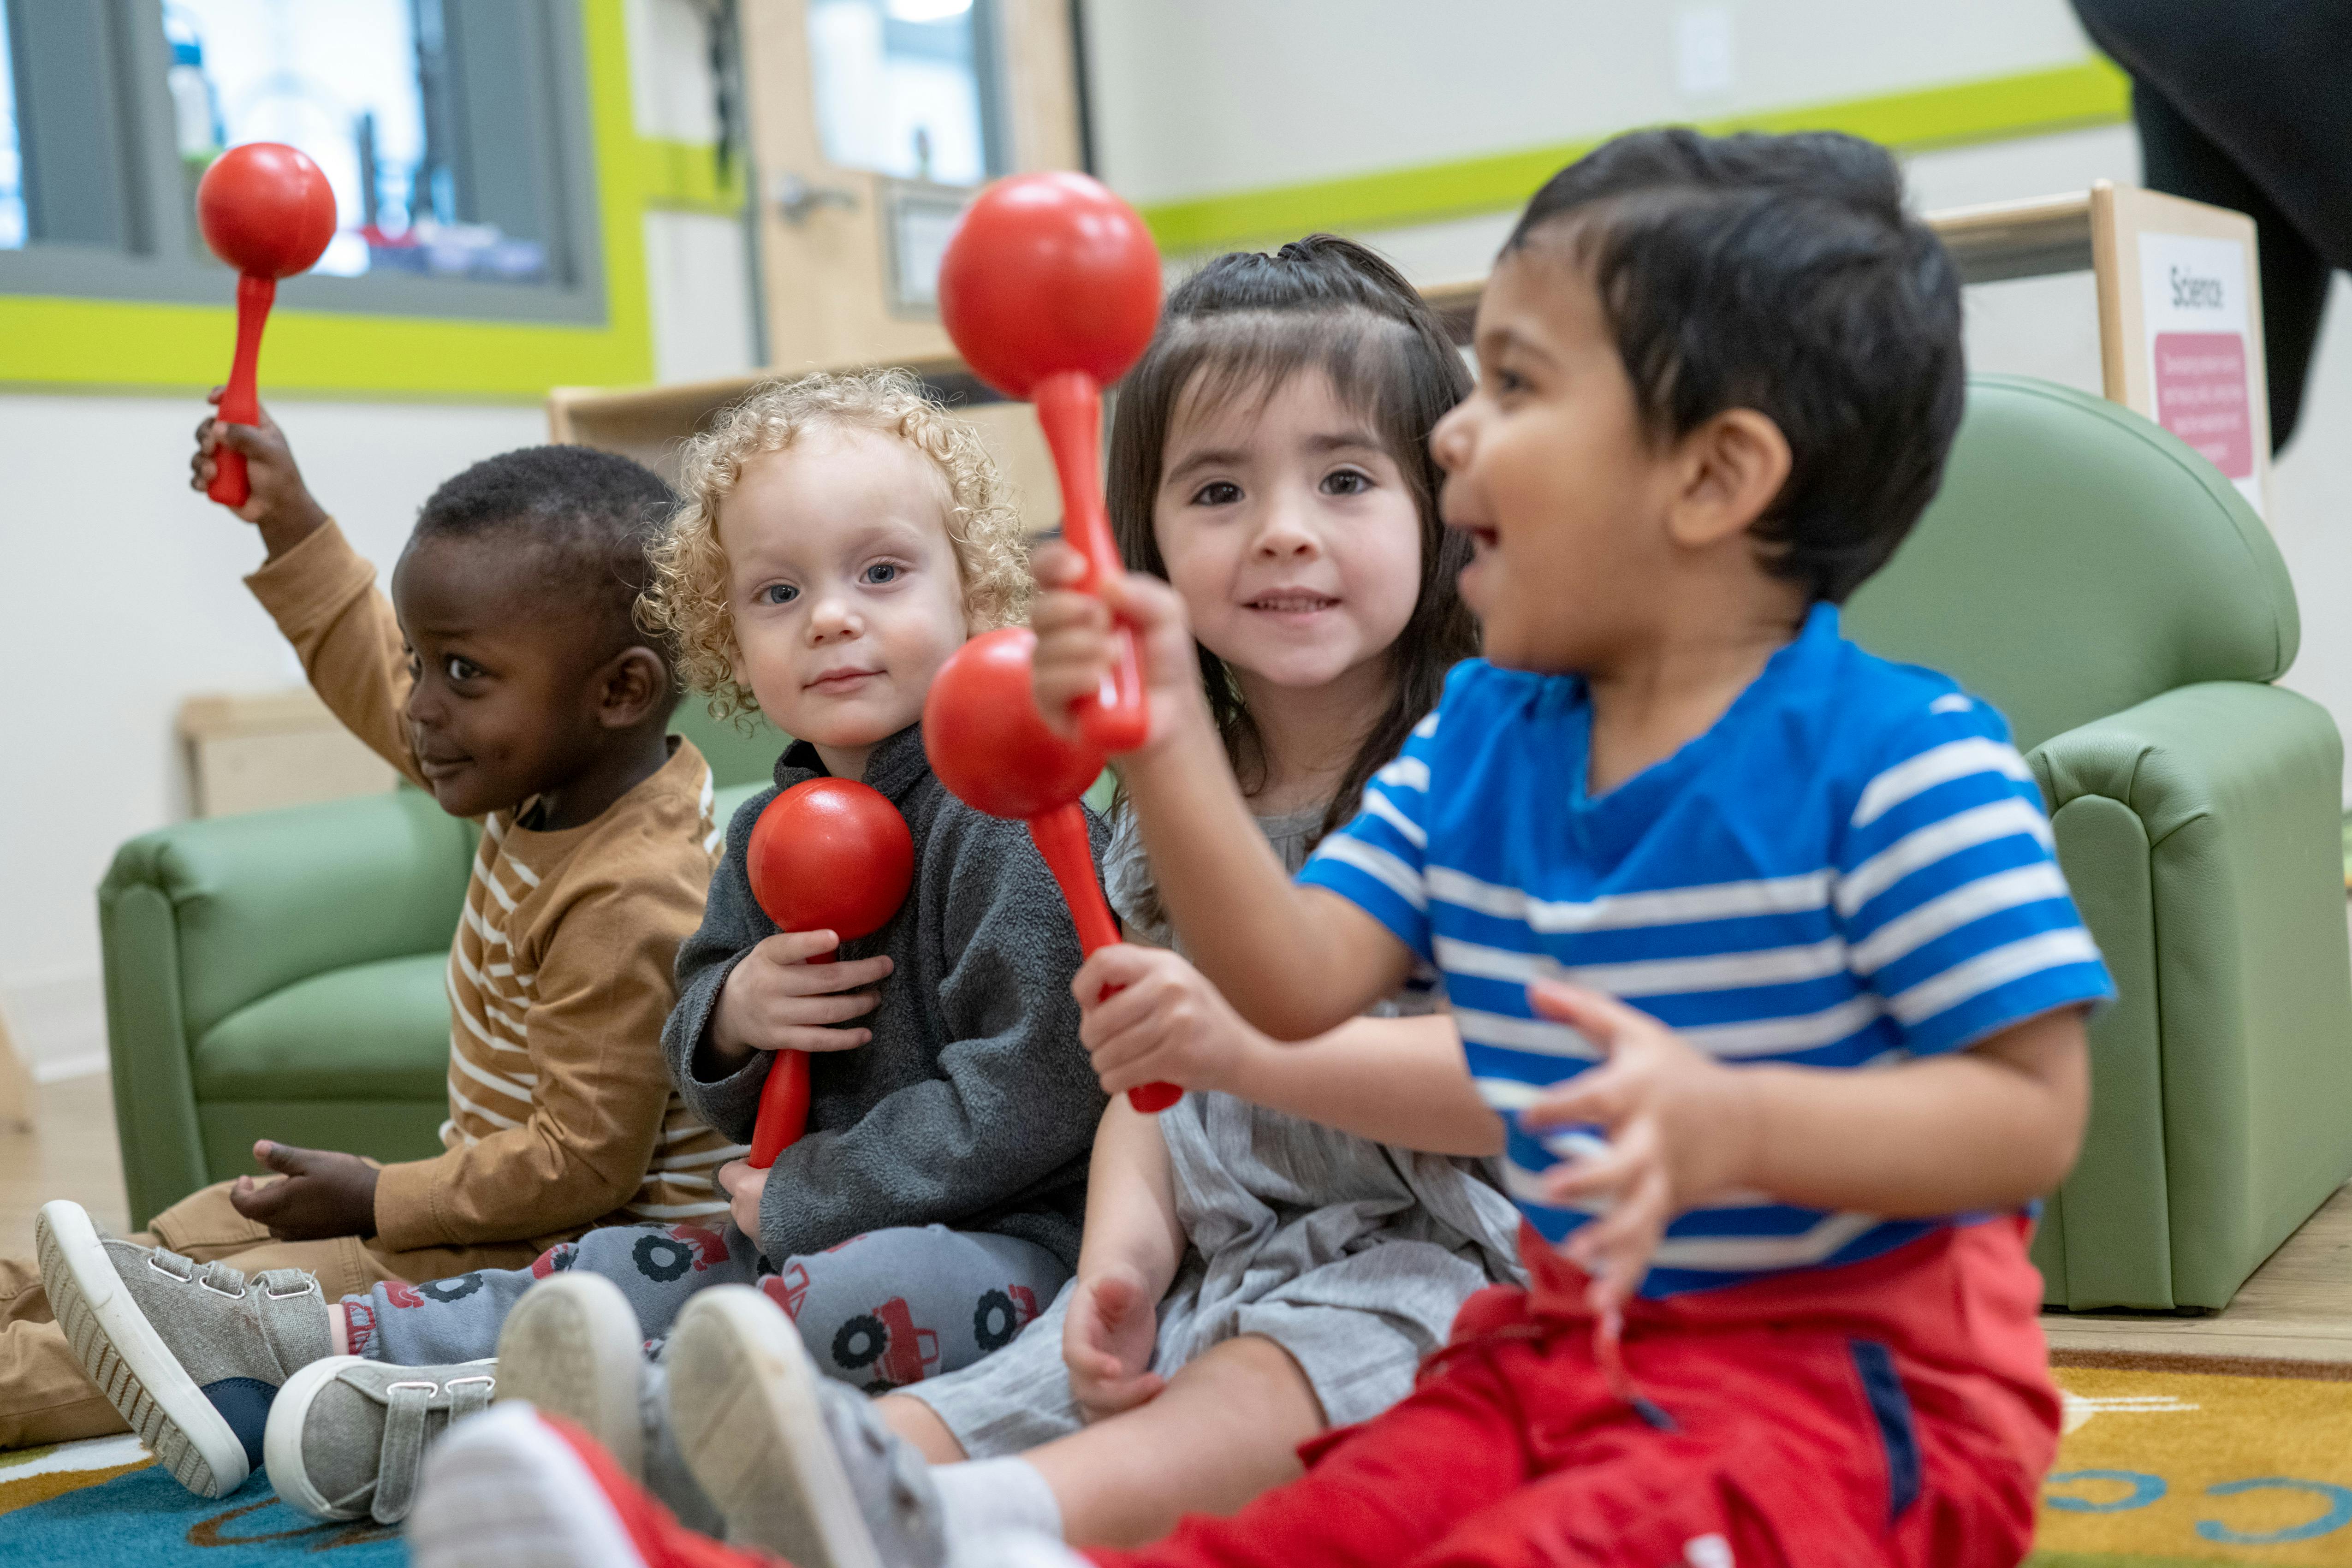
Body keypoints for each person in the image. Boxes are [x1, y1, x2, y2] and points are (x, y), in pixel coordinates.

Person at [404, 127, 2117, 1568]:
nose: (1455, 433)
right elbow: (1293, 982)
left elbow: (2030, 1118)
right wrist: (1157, 755)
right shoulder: (1485, 747)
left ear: (1714, 477)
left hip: (1848, 1398)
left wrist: (1737, 1114)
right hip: (1559, 1353)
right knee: (1296, 1534)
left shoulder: (1910, 761)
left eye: (1509, 385)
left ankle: (935, 1529)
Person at [562, 236, 1525, 1567]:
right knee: (987, 1397)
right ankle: (694, 1507)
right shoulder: (1171, 796)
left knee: (1261, 1385)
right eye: (1217, 489)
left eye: (1346, 478)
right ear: (1144, 542)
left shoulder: (1490, 766)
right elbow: (1140, 1075)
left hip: (1441, 1260)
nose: (1283, 527)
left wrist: (1240, 1052)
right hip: (1219, 1262)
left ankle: (969, 1529)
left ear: (1443, 511)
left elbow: (1518, 1079)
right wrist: (1124, 1253)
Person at [245, 368, 1112, 1529]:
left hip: (1020, 1246)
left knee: (845, 1296)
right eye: (778, 591)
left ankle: (538, 1435)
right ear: (728, 636)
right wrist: (734, 1009)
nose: (833, 615)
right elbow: (694, 1025)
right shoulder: (765, 830)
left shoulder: (1003, 814)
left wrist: (813, 1189)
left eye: (885, 572)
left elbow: (1040, 1088)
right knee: (606, 1270)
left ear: (976, 587)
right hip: (783, 1227)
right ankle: (328, 1344)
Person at [18, 413, 733, 1497]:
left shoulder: (633, 889)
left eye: (460, 673)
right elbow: (370, 665)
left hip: (556, 1253)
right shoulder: (550, 764)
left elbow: (580, 1168)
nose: (419, 708)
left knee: (227, 1314)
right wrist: (291, 522)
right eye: (420, 663)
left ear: (620, 691)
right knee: (193, 1227)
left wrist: (377, 1194)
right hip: (489, 1211)